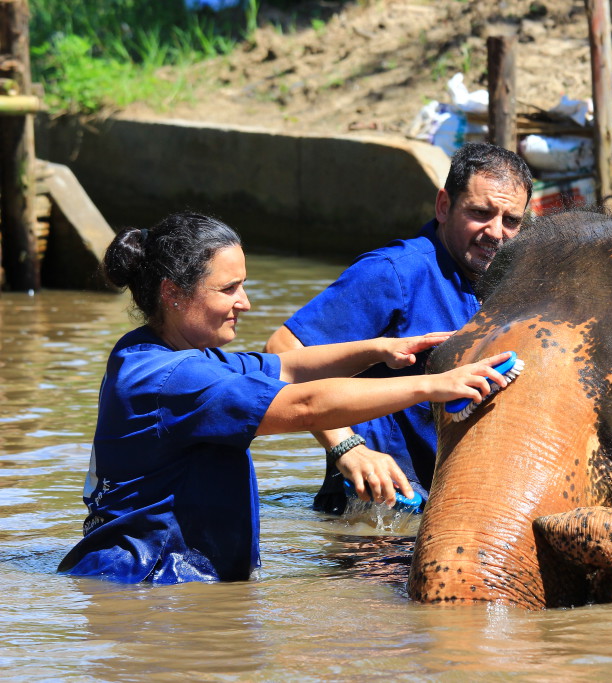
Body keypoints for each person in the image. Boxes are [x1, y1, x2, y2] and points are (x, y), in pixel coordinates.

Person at [58, 212, 512, 584]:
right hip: (147, 585)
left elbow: (287, 366)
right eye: (229, 289)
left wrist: (384, 349)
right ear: (173, 294)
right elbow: (302, 405)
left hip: (155, 577)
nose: (246, 302)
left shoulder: (151, 353)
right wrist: (433, 386)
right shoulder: (174, 379)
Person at [265, 142, 533, 513]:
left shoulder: (509, 285)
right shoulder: (395, 272)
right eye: (480, 213)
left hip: (452, 505)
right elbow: (282, 351)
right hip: (378, 508)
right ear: (444, 206)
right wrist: (348, 448)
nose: (496, 232)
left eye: (511, 221)